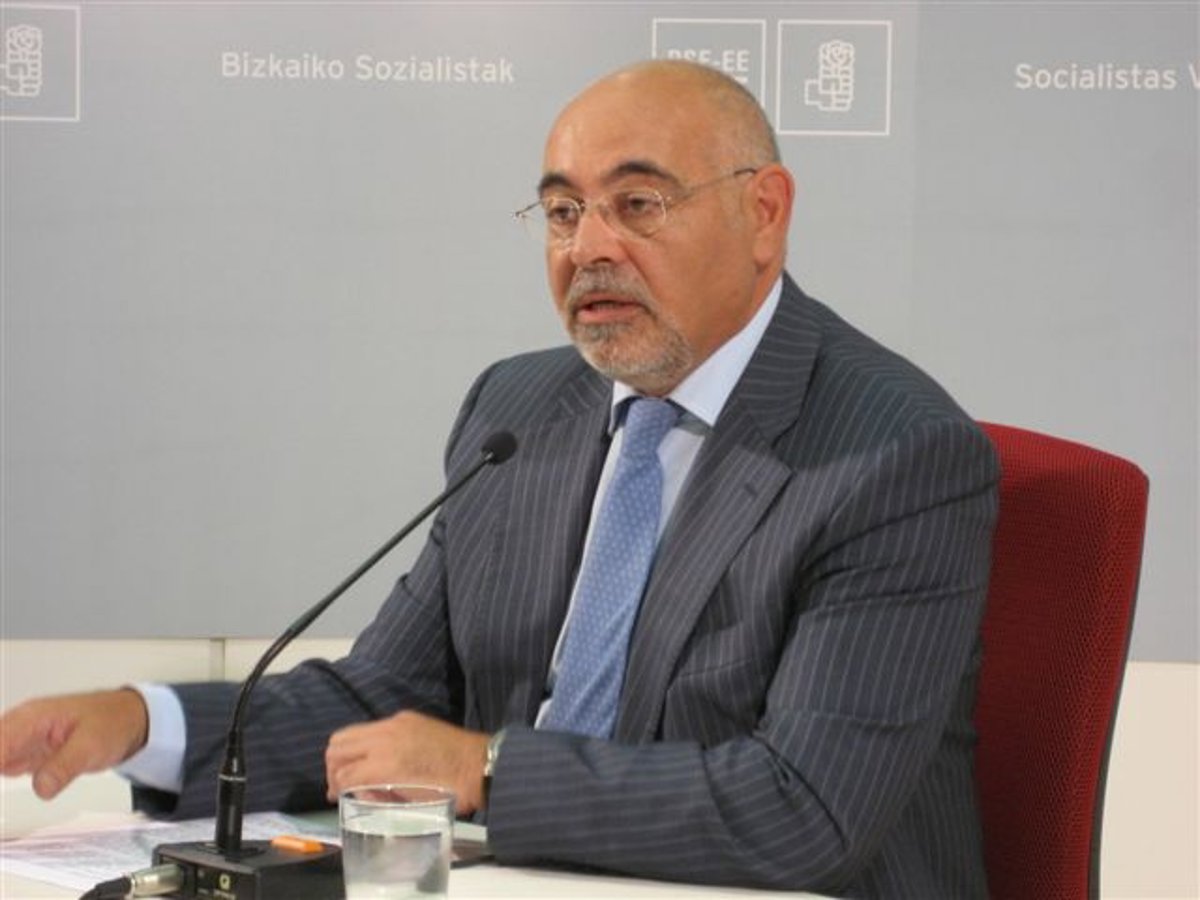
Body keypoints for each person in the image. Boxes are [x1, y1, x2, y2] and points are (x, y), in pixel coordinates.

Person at [0, 60, 999, 897]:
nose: (588, 249)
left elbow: (805, 809)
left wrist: (485, 768)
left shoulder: (892, 453)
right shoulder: (520, 410)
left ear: (763, 212)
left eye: (638, 205)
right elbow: (383, 698)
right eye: (562, 212)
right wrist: (144, 725)